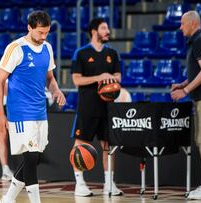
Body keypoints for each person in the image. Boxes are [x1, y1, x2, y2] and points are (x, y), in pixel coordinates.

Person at [0, 10, 65, 203]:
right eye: (40, 32)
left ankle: (8, 199)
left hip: (40, 112)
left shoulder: (48, 48)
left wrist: (56, 90)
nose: (44, 36)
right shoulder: (16, 48)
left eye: (47, 32)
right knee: (31, 159)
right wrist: (1, 114)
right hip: (20, 113)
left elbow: (50, 78)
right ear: (29, 27)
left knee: (33, 158)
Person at [70, 18, 123, 197]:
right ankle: (80, 184)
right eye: (103, 28)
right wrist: (99, 77)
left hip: (108, 107)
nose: (107, 31)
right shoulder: (81, 53)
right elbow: (76, 80)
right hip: (87, 107)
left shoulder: (113, 53)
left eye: (107, 28)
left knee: (109, 145)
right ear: (94, 31)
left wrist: (111, 79)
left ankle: (109, 183)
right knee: (80, 144)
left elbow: (118, 78)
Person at [171, 11, 201, 200]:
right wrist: (184, 83)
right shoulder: (198, 40)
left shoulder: (200, 40)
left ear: (193, 23)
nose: (180, 27)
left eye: (182, 24)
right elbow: (198, 71)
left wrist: (185, 92)